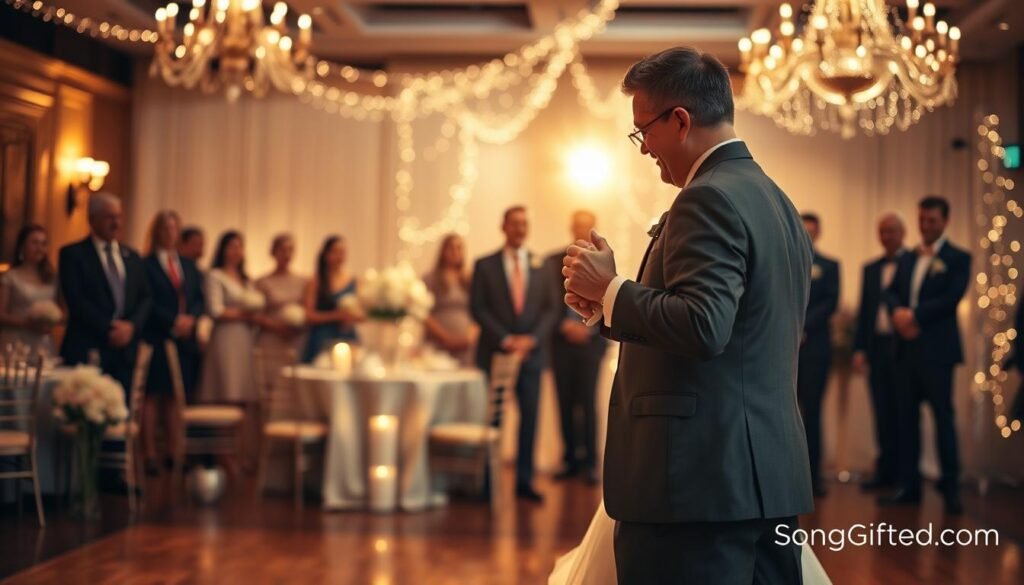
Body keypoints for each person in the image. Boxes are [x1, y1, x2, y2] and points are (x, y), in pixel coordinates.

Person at [559, 47, 817, 583]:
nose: (644, 149)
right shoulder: (776, 200)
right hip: (762, 475)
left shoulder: (709, 198)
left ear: (680, 121)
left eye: (643, 132)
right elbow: (738, 330)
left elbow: (704, 324)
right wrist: (607, 307)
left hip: (698, 487)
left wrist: (612, 288)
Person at [879, 196, 969, 515]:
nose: (925, 226)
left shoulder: (959, 257)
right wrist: (899, 315)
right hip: (905, 350)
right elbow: (890, 292)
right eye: (921, 220)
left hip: (937, 352)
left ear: (945, 221)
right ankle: (909, 485)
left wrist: (914, 316)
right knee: (906, 420)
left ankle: (951, 488)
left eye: (931, 220)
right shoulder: (909, 257)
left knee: (943, 419)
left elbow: (951, 298)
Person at [470, 206, 559, 502]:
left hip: (531, 356)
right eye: (515, 224)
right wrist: (506, 338)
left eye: (524, 224)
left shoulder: (541, 265)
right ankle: (486, 482)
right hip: (495, 353)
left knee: (530, 418)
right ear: (503, 226)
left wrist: (531, 339)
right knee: (492, 419)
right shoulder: (485, 265)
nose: (520, 229)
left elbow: (551, 308)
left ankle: (524, 480)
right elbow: (478, 308)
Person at [59, 192, 151, 396]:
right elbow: (76, 300)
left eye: (119, 216)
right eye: (109, 217)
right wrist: (109, 328)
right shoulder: (73, 255)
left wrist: (131, 327)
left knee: (121, 415)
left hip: (125, 353)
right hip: (88, 347)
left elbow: (146, 298)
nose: (116, 223)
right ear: (92, 219)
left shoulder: (132, 256)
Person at [142, 210, 205, 475]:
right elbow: (147, 300)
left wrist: (190, 319)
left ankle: (174, 451)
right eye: (165, 229)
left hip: (184, 340)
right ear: (157, 232)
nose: (170, 234)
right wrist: (172, 321)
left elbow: (198, 298)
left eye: (174, 229)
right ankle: (149, 453)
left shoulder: (188, 265)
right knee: (153, 395)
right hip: (158, 336)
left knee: (176, 397)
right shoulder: (146, 265)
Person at [546, 211, 606, 484]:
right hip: (561, 344)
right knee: (565, 402)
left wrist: (588, 327)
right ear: (572, 228)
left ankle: (591, 464)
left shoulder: (604, 262)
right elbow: (546, 302)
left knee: (589, 403)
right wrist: (563, 324)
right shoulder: (551, 262)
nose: (582, 230)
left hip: (591, 344)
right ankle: (570, 459)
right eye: (578, 226)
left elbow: (610, 299)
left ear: (593, 229)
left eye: (587, 226)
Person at [852, 212, 907, 491]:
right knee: (881, 411)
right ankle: (884, 471)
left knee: (901, 412)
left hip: (902, 350)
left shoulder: (912, 262)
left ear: (903, 233)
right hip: (876, 347)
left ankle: (903, 474)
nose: (887, 236)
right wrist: (859, 348)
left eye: (892, 231)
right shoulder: (870, 269)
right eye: (882, 231)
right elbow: (865, 312)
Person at [798, 212, 840, 498]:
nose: (808, 236)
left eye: (812, 231)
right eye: (804, 231)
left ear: (818, 233)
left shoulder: (830, 266)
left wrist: (802, 325)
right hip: (786, 348)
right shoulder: (784, 260)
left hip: (815, 348)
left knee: (812, 414)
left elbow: (830, 303)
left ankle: (813, 479)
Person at [198, 231, 261, 405]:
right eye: (232, 247)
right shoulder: (215, 275)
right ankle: (224, 429)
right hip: (226, 337)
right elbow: (215, 310)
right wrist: (244, 314)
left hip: (245, 338)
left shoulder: (246, 280)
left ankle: (242, 431)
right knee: (226, 385)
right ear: (223, 249)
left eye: (240, 247)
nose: (237, 251)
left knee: (244, 391)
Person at [0, 225, 62, 356]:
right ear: (22, 246)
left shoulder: (52, 278)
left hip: (43, 342)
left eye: (44, 243)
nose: (39, 248)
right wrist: (27, 323)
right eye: (34, 243)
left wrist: (51, 321)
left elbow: (64, 310)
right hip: (16, 341)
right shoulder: (10, 277)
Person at [302, 236, 360, 363]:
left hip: (347, 335)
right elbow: (309, 315)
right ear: (326, 255)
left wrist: (351, 317)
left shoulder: (353, 281)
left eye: (342, 253)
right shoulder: (316, 281)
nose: (339, 257)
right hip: (323, 337)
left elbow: (361, 313)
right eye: (335, 252)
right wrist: (336, 316)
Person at [422, 233, 477, 367]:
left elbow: (479, 310)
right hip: (439, 342)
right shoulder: (431, 278)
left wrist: (470, 337)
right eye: (451, 248)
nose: (455, 252)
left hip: (466, 345)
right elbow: (423, 313)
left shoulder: (470, 279)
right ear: (443, 251)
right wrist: (445, 337)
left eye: (459, 248)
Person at [255, 234, 308, 358]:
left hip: (296, 337)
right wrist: (278, 327)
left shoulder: (302, 281)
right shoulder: (263, 282)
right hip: (271, 338)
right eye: (282, 250)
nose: (286, 254)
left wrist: (296, 327)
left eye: (290, 250)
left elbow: (307, 309)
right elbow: (257, 315)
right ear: (273, 252)